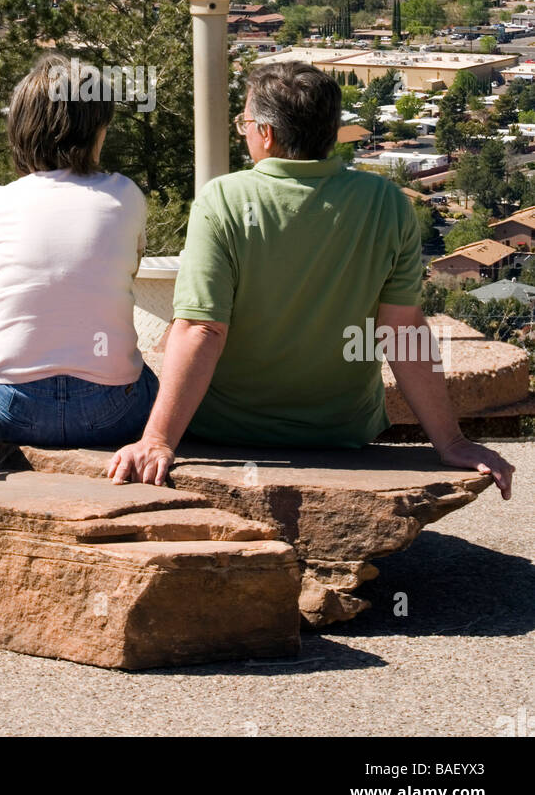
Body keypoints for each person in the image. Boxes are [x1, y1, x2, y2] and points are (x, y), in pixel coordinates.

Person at [108, 60, 515, 499]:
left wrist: (157, 441)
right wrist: (450, 442)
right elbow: (403, 330)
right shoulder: (385, 202)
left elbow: (203, 328)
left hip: (223, 432)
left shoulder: (224, 200)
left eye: (245, 122)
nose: (242, 131)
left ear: (265, 133)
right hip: (340, 431)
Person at [0, 53, 158, 448]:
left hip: (11, 410)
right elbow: (126, 274)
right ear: (97, 131)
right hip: (112, 411)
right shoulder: (125, 195)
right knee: (150, 381)